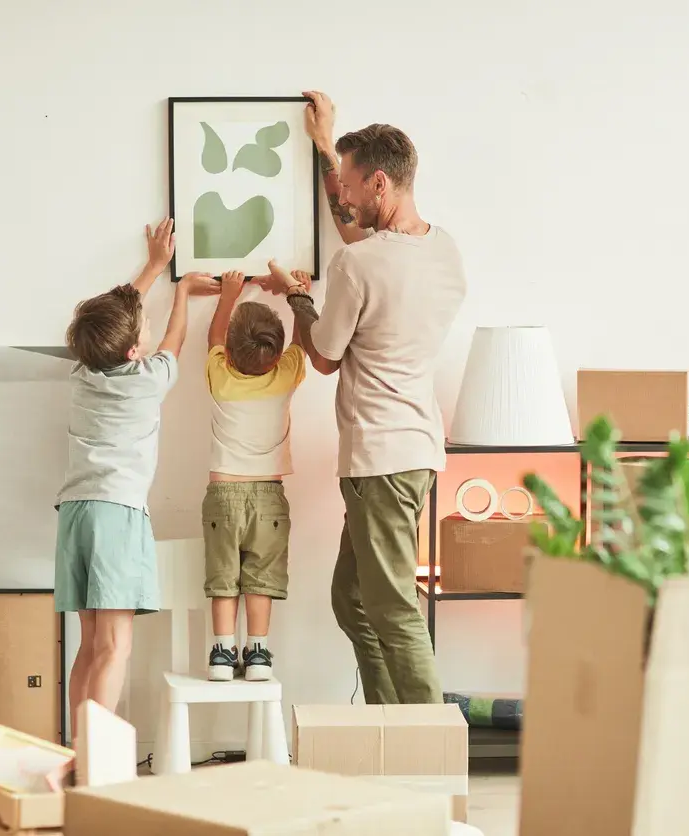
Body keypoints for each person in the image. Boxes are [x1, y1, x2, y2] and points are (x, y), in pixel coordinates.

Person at [258, 92, 467, 704]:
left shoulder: (358, 267)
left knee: (393, 608)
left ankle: (430, 754)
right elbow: (359, 239)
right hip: (414, 452)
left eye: (350, 185)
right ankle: (386, 724)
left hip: (380, 459)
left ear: (380, 182)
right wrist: (326, 147)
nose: (342, 197)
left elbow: (323, 356)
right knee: (352, 600)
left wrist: (295, 296)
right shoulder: (444, 250)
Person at [54, 218, 217, 743]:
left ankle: (76, 752)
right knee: (115, 647)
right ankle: (94, 757)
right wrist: (184, 293)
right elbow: (175, 339)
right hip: (117, 515)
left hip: (75, 514)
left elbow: (120, 318)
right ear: (131, 352)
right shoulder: (149, 381)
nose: (145, 329)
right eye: (138, 330)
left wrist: (153, 267)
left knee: (89, 645)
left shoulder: (81, 375)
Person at [200, 266, 311, 682]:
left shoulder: (220, 377)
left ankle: (223, 652)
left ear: (230, 352)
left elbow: (213, 338)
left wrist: (228, 296)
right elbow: (302, 343)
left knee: (223, 576)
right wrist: (298, 294)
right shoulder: (285, 376)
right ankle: (259, 653)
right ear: (276, 352)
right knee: (261, 577)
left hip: (223, 493)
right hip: (269, 497)